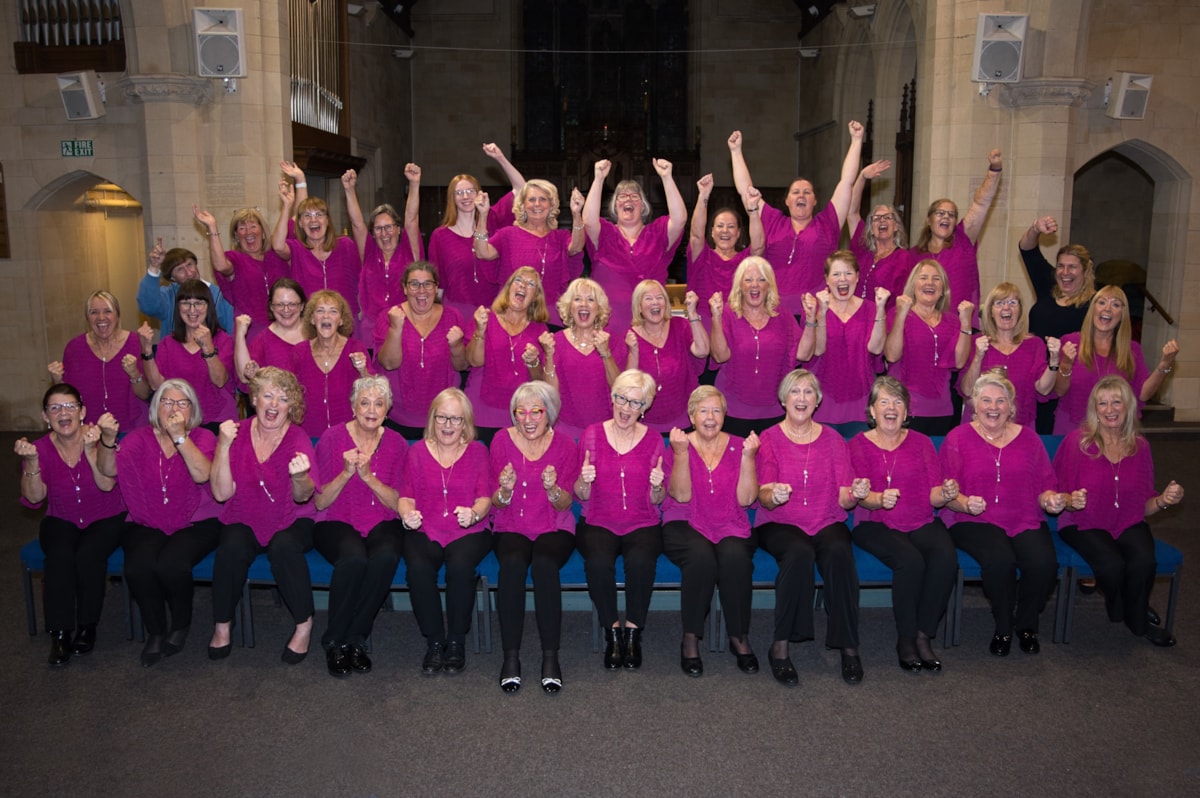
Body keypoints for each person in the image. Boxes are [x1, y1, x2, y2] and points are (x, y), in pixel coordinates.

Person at [95, 380, 221, 667]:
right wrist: (106, 440)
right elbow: (108, 470)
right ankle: (155, 630)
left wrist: (180, 438)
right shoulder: (139, 438)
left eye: (181, 403)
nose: (174, 409)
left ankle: (180, 624)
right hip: (146, 518)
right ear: (155, 408)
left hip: (198, 520)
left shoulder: (202, 437)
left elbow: (203, 474)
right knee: (138, 566)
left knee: (172, 564)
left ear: (192, 410)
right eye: (167, 402)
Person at [939, 371, 1065, 657]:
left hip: (1023, 515)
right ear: (974, 405)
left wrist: (1051, 500)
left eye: (1000, 401)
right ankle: (1004, 627)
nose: (993, 407)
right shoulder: (957, 438)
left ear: (1011, 407)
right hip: (971, 519)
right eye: (985, 400)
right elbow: (947, 491)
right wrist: (964, 502)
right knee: (1000, 561)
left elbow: (1046, 484)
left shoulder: (1030, 439)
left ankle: (1027, 624)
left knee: (1044, 563)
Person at [1054, 375, 1183, 647]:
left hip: (1126, 520)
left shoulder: (1141, 447)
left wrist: (1164, 500)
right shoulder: (1077, 443)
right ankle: (1126, 608)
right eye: (1103, 404)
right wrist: (1069, 499)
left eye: (1117, 402)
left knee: (1144, 562)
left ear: (1128, 408)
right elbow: (1055, 491)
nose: (1110, 410)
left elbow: (1145, 504)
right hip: (1082, 521)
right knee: (1112, 565)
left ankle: (1136, 622)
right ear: (1095, 409)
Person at [754, 369, 863, 687]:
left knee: (840, 551)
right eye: (794, 392)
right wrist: (772, 494)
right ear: (783, 400)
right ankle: (781, 646)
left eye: (808, 392)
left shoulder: (834, 439)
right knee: (799, 552)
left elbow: (844, 499)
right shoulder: (769, 438)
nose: (801, 398)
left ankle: (848, 645)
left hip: (826, 518)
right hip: (779, 522)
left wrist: (854, 494)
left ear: (817, 401)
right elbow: (762, 495)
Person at [207, 367, 319, 664]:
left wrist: (300, 476)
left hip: (294, 517)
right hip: (245, 512)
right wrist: (222, 446)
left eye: (283, 399)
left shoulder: (297, 437)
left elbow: (304, 495)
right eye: (267, 396)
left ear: (291, 406)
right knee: (230, 545)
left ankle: (304, 623)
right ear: (254, 398)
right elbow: (220, 494)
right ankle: (222, 625)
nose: (273, 405)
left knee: (284, 546)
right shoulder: (236, 432)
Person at [848, 377, 958, 673]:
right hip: (874, 522)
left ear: (907, 411)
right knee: (910, 561)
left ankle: (924, 634)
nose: (891, 407)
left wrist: (946, 494)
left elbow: (935, 494)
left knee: (946, 558)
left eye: (898, 402)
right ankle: (906, 639)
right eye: (884, 401)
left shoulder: (922, 443)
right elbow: (860, 496)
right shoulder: (857, 445)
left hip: (920, 518)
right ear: (872, 411)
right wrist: (879, 498)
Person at [15, 384, 124, 667]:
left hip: (105, 515)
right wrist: (31, 463)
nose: (63, 414)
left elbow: (107, 485)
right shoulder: (37, 449)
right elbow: (35, 498)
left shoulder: (100, 440)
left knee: (89, 555)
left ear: (82, 411)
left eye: (70, 407)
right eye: (55, 408)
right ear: (45, 416)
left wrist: (90, 451)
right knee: (60, 555)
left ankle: (88, 626)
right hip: (60, 517)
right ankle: (60, 633)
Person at [661, 386, 759, 677]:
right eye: (703, 410)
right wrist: (680, 455)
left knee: (735, 558)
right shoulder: (678, 445)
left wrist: (749, 459)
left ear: (725, 416)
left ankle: (738, 636)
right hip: (685, 519)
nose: (710, 417)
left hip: (730, 518)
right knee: (701, 560)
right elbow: (680, 495)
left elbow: (746, 500)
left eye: (716, 410)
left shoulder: (742, 446)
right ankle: (691, 637)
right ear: (691, 416)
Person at [574, 369, 668, 671]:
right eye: (621, 399)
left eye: (635, 403)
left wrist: (657, 487)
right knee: (598, 562)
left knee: (641, 561)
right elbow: (580, 495)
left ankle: (633, 632)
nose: (626, 409)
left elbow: (658, 500)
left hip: (642, 520)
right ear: (612, 398)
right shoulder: (591, 433)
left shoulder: (654, 440)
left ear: (645, 408)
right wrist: (584, 481)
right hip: (599, 519)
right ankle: (612, 631)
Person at [312, 375, 406, 677]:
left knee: (386, 556)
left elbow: (398, 503)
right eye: (364, 402)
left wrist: (367, 477)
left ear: (388, 410)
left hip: (382, 519)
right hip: (336, 520)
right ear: (353, 407)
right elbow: (320, 502)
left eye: (379, 403)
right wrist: (345, 473)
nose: (371, 409)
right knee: (353, 558)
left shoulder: (397, 443)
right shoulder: (331, 438)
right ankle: (335, 640)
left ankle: (356, 638)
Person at [489, 381, 579, 694]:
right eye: (520, 411)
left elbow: (566, 502)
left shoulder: (566, 444)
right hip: (510, 524)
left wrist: (552, 488)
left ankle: (550, 657)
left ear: (549, 413)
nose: (528, 418)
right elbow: (496, 503)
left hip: (554, 526)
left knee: (543, 564)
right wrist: (505, 490)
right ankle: (510, 657)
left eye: (535, 411)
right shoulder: (501, 440)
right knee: (512, 563)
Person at [398, 388, 492, 677]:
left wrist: (474, 513)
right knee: (417, 568)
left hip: (469, 529)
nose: (448, 425)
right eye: (442, 418)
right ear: (432, 419)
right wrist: (406, 515)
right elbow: (405, 496)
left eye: (456, 419)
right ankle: (435, 640)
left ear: (466, 423)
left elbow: (486, 497)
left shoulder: (478, 451)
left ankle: (456, 641)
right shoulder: (416, 451)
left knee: (461, 567)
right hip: (427, 526)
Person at [728, 123, 864, 306]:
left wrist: (856, 141)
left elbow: (846, 182)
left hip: (813, 311)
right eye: (795, 192)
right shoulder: (773, 221)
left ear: (815, 201)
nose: (801, 195)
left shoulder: (827, 223)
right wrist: (736, 152)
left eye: (807, 192)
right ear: (787, 201)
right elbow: (746, 192)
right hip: (774, 310)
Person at [708, 256, 816, 437]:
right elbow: (719, 356)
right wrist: (716, 318)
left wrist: (812, 319)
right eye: (748, 280)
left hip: (775, 410)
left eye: (761, 279)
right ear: (740, 286)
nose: (754, 285)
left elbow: (804, 355)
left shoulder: (783, 315)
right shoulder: (727, 313)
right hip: (734, 409)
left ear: (769, 285)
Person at [1054, 284, 1179, 434]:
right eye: (1101, 302)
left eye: (1115, 304)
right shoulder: (1070, 342)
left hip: (1114, 431)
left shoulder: (1132, 350)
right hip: (1073, 429)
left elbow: (1143, 394)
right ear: (1093, 309)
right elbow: (1060, 391)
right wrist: (1066, 364)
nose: (1107, 308)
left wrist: (1164, 364)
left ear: (1122, 315)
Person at [582, 157, 687, 333]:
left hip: (650, 328)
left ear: (643, 206)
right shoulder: (605, 233)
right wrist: (599, 179)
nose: (628, 200)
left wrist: (667, 177)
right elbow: (588, 221)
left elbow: (679, 219)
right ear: (615, 206)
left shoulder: (657, 233)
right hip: (608, 331)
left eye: (635, 197)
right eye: (622, 197)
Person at [428, 143, 526, 321]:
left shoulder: (493, 219)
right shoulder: (440, 236)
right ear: (452, 198)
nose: (465, 197)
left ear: (479, 194)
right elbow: (438, 283)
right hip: (457, 311)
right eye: (459, 193)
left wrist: (500, 158)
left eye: (470, 191)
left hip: (495, 309)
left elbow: (522, 190)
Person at [1017, 216, 1097, 433]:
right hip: (1038, 379)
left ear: (1086, 270)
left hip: (1071, 384)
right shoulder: (1048, 286)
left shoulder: (1096, 304)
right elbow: (1027, 249)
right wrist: (1036, 228)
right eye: (1061, 266)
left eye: (1072, 267)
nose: (1065, 272)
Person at [472, 179, 586, 327]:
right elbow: (482, 252)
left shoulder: (560, 237)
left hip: (551, 318)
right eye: (531, 199)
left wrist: (577, 214)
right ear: (523, 205)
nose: (537, 204)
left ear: (551, 205)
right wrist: (482, 215)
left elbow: (576, 247)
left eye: (543, 199)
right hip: (513, 317)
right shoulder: (508, 235)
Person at [374, 261, 468, 437]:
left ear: (436, 287)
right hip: (398, 418)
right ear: (405, 288)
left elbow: (462, 366)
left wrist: (456, 346)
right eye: (414, 284)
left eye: (428, 284)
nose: (422, 290)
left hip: (443, 417)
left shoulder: (453, 316)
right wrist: (396, 329)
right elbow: (388, 364)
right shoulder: (389, 317)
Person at [911, 149, 1003, 327]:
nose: (946, 217)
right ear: (929, 220)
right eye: (940, 213)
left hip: (961, 327)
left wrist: (994, 170)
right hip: (922, 326)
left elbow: (981, 203)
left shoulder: (963, 240)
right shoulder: (914, 255)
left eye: (951, 215)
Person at [883, 260, 974, 435]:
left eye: (936, 279)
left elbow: (960, 361)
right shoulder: (897, 313)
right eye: (923, 277)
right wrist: (901, 314)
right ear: (913, 285)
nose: (929, 283)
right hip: (904, 407)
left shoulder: (953, 321)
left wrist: (966, 322)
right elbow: (892, 356)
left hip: (942, 410)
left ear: (943, 289)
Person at [808, 250, 889, 434]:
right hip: (823, 403)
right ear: (827, 280)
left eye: (848, 273)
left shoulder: (870, 308)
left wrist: (881, 309)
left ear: (858, 277)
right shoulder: (815, 309)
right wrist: (822, 313)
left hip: (860, 403)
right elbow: (818, 350)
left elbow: (876, 349)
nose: (842, 279)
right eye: (836, 274)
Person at [959, 282, 1061, 427]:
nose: (1006, 307)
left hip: (1019, 427)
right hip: (980, 427)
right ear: (991, 312)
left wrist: (1054, 360)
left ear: (1019, 310)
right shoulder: (977, 342)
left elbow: (1043, 389)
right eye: (999, 303)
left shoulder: (1034, 344)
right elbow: (968, 390)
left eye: (1012, 302)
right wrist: (978, 357)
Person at [271, 170, 366, 325]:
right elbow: (278, 245)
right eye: (307, 216)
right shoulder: (296, 249)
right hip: (310, 325)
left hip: (346, 323)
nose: (313, 219)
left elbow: (361, 281)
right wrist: (287, 206)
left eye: (319, 214)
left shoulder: (345, 246)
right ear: (300, 223)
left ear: (327, 220)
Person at [139, 280, 238, 427]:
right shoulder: (168, 343)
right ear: (178, 307)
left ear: (208, 306)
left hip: (218, 420)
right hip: (178, 420)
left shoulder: (223, 339)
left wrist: (208, 348)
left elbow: (220, 380)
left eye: (199, 303)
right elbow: (156, 385)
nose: (192, 310)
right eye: (186, 303)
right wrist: (146, 351)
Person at [193, 191, 288, 343]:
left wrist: (289, 202)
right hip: (252, 332)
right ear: (237, 236)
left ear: (263, 232)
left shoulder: (277, 254)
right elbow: (221, 265)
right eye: (242, 228)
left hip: (285, 328)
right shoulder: (235, 258)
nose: (248, 232)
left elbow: (296, 226)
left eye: (253, 226)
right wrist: (212, 228)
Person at [48, 290, 150, 432]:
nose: (101, 317)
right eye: (94, 312)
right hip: (89, 431)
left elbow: (146, 394)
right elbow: (67, 399)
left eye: (107, 311)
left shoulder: (135, 343)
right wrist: (57, 381)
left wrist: (134, 373)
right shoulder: (74, 348)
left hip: (131, 430)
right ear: (87, 318)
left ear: (117, 315)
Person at [465, 268, 550, 435]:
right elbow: (474, 361)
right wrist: (480, 332)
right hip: (480, 412)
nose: (523, 286)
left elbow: (540, 381)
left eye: (531, 284)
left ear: (535, 297)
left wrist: (533, 362)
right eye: (518, 281)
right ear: (508, 287)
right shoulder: (484, 319)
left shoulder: (541, 330)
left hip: (519, 416)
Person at [538, 277, 625, 438]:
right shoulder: (554, 341)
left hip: (606, 430)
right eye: (577, 299)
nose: (584, 304)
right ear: (569, 307)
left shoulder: (613, 341)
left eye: (590, 299)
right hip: (564, 430)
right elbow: (550, 394)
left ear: (599, 309)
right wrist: (549, 356)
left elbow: (620, 390)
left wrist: (606, 353)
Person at [624, 280, 709, 433]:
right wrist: (633, 352)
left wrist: (692, 314)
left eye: (660, 297)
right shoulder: (631, 337)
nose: (655, 302)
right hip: (645, 426)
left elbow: (702, 351)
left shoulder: (680, 325)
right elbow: (629, 385)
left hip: (685, 421)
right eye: (648, 298)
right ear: (639, 306)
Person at [357, 164, 424, 346]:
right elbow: (357, 225)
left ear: (398, 229)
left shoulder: (410, 252)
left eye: (389, 227)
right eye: (378, 228)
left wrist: (414, 184)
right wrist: (349, 190)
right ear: (373, 233)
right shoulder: (370, 254)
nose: (384, 233)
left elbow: (411, 219)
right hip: (371, 329)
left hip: (406, 325)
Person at [686, 173, 764, 328]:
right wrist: (703, 196)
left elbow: (758, 246)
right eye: (720, 226)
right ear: (712, 232)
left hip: (738, 326)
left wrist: (753, 210)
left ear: (739, 233)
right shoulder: (701, 256)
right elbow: (695, 234)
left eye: (731, 226)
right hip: (704, 325)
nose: (725, 231)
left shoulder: (745, 261)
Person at [292, 290, 372, 439]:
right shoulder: (299, 351)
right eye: (320, 311)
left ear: (341, 320)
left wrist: (363, 371)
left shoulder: (356, 348)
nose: (326, 316)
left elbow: (374, 391)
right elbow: (290, 393)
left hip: (349, 434)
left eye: (333, 311)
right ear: (312, 319)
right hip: (309, 434)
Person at [846, 160, 914, 308]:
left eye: (887, 217)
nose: (882, 221)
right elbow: (851, 212)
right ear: (871, 227)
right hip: (854, 318)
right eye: (876, 218)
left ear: (896, 226)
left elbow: (906, 298)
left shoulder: (904, 258)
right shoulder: (862, 249)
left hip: (884, 322)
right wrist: (862, 177)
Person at [137, 240, 235, 340]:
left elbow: (232, 333)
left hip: (212, 353)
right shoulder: (169, 296)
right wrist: (154, 268)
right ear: (172, 278)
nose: (189, 273)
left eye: (190, 265)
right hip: (174, 354)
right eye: (180, 269)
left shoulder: (220, 295)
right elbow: (148, 307)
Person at [234, 277, 307, 384]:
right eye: (279, 305)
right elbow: (244, 378)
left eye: (292, 304)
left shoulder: (316, 332)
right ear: (271, 307)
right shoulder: (262, 340)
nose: (286, 310)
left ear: (302, 306)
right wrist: (240, 335)